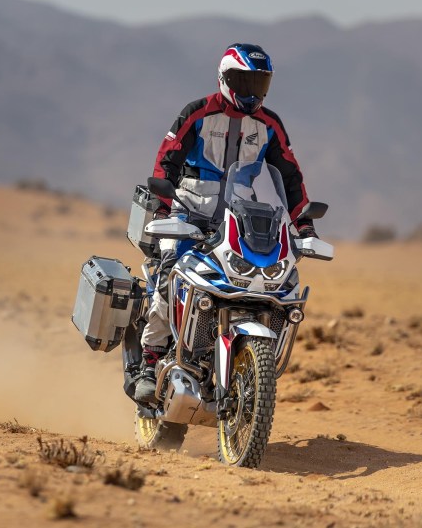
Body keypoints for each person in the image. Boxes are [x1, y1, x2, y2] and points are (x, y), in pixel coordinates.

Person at [134, 43, 316, 403]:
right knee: (169, 275)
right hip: (188, 213)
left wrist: (304, 224)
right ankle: (149, 360)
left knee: (260, 285)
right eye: (243, 82)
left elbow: (291, 178)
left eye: (259, 84)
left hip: (238, 218)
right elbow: (166, 161)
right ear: (225, 79)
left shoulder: (269, 125)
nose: (251, 92)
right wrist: (161, 208)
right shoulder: (197, 113)